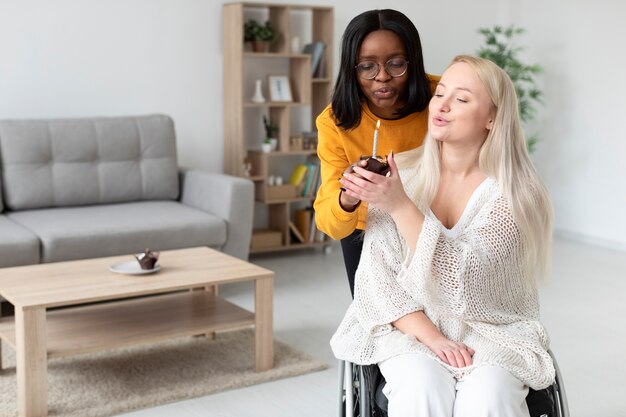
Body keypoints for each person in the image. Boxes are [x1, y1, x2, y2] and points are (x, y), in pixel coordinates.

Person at [330, 55, 555, 417]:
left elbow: (468, 284)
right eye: (441, 94)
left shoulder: (517, 194)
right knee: (421, 385)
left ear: (492, 118)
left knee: (489, 395)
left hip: (491, 329)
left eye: (461, 99)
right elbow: (378, 282)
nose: (443, 106)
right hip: (407, 327)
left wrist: (401, 207)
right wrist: (432, 338)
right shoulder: (401, 174)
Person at [313, 9, 439, 297]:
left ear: (413, 61)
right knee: (374, 320)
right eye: (367, 67)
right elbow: (330, 222)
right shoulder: (333, 122)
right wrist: (349, 196)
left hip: (432, 221)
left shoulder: (440, 97)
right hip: (366, 230)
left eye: (396, 64)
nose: (382, 77)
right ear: (351, 69)